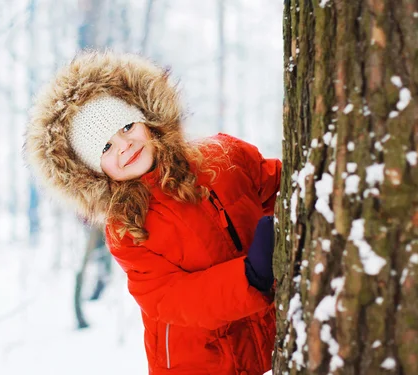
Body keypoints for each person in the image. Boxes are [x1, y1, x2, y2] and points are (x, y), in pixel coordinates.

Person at [23, 50, 281, 375]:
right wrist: (250, 276)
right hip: (202, 362)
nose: (124, 145)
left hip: (275, 338)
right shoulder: (126, 231)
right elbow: (170, 298)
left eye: (127, 127)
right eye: (105, 147)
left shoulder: (224, 156)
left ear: (146, 120)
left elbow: (279, 186)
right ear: (92, 170)